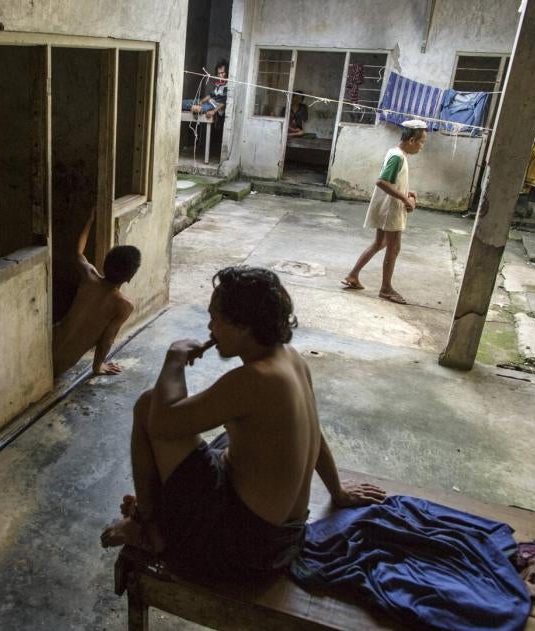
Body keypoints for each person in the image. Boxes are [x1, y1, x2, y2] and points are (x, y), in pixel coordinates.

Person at [100, 266, 385, 581]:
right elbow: (313, 432)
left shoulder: (252, 380)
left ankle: (147, 527)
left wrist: (174, 359)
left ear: (244, 325)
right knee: (228, 436)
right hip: (284, 536)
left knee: (147, 404)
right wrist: (339, 491)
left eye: (217, 319)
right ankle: (157, 507)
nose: (210, 328)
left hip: (244, 551)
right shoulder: (292, 359)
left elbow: (163, 423)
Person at [341, 120, 428, 304]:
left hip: (386, 205)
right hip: (391, 209)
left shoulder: (396, 153)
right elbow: (382, 182)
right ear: (412, 140)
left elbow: (392, 180)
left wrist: (407, 192)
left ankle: (352, 275)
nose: (422, 147)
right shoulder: (398, 157)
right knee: (393, 247)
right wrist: (404, 198)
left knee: (379, 243)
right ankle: (386, 289)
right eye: (421, 142)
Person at [52, 212, 141, 377]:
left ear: (104, 264)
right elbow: (107, 340)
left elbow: (78, 252)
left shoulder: (89, 277)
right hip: (61, 364)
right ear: (129, 278)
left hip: (44, 350)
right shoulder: (123, 305)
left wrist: (90, 219)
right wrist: (98, 366)